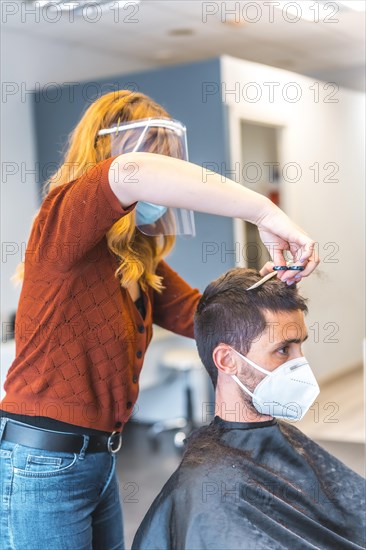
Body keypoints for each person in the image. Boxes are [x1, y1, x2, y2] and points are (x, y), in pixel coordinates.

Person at [0, 89, 319, 550]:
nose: (165, 184)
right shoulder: (62, 221)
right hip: (42, 464)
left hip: (98, 458)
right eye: (159, 162)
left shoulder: (137, 258)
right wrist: (264, 212)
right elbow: (132, 174)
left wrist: (270, 290)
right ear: (106, 153)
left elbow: (202, 317)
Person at [132, 265, 366, 550]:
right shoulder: (204, 491)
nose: (301, 365)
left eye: (300, 348)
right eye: (284, 350)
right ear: (228, 360)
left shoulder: (285, 442)